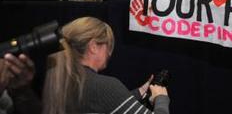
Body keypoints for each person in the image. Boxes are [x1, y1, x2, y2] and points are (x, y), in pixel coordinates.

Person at [42, 17, 170, 114]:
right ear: (93, 47)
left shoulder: (61, 80)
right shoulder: (103, 86)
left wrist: (139, 92)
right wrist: (161, 98)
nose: (109, 53)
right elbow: (105, 95)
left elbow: (103, 103)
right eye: (108, 46)